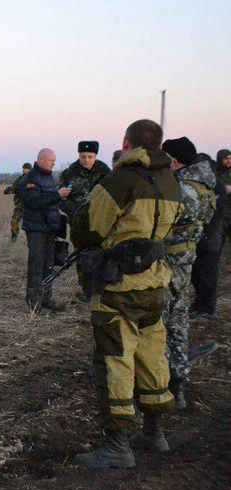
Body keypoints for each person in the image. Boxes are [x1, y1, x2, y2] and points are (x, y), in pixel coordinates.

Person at [71, 119, 181, 469]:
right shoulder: (171, 181)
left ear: (126, 142)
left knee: (114, 359)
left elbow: (88, 227)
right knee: (152, 355)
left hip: (119, 286)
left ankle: (117, 445)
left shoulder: (121, 179)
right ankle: (154, 432)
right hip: (155, 282)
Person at [159, 138, 216, 410]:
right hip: (185, 261)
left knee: (162, 324)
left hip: (169, 263)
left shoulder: (182, 191)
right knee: (179, 322)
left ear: (175, 160)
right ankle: (179, 384)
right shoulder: (204, 187)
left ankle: (161, 385)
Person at [19, 148, 67, 312]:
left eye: (54, 161)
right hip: (36, 229)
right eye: (50, 160)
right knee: (36, 265)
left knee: (49, 264)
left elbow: (50, 202)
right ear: (40, 159)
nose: (53, 163)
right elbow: (34, 202)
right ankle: (34, 303)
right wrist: (57, 196)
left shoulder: (50, 178)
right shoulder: (30, 179)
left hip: (50, 228)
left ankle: (46, 299)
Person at [191, 149, 231, 315]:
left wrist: (208, 231)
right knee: (198, 273)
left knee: (208, 273)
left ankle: (206, 307)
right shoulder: (205, 183)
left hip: (210, 236)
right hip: (202, 236)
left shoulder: (215, 184)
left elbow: (218, 212)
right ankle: (200, 303)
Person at [58, 141, 111, 220]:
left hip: (100, 219)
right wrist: (77, 213)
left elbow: (112, 196)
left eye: (90, 157)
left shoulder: (105, 173)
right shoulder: (68, 174)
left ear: (95, 156)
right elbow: (60, 198)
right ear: (79, 156)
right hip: (77, 220)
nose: (86, 160)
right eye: (83, 157)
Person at [4, 162, 32, 242]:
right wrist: (10, 190)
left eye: (25, 168)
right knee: (14, 221)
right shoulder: (20, 178)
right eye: (23, 168)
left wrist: (18, 190)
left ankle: (31, 241)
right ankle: (14, 238)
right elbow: (15, 187)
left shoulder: (33, 178)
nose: (23, 170)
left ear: (29, 169)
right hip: (20, 204)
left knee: (30, 225)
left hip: (30, 205)